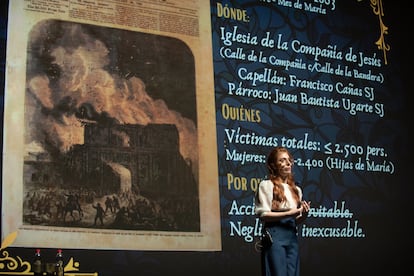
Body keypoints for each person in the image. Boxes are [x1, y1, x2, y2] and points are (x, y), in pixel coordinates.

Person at [255, 146, 311, 276]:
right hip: (275, 237)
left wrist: (304, 214)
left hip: (291, 237)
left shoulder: (297, 190)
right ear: (274, 166)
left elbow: (295, 221)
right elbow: (263, 215)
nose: (287, 163)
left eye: (289, 160)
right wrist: (290, 213)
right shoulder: (267, 185)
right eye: (282, 160)